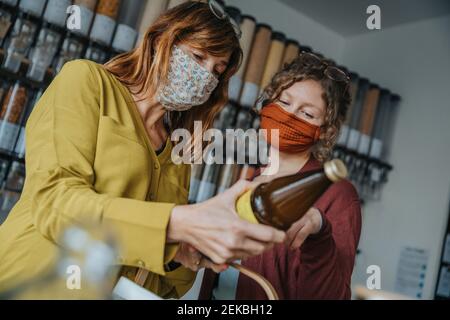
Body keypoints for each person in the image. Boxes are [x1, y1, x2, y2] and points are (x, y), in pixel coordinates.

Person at [0, 1, 285, 298]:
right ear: (161, 41)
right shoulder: (87, 81)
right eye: (198, 56)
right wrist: (177, 223)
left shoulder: (178, 148)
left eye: (217, 70)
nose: (205, 76)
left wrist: (182, 252)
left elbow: (173, 284)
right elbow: (56, 202)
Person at [199, 52, 362, 300]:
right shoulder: (250, 175)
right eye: (284, 103)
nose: (290, 116)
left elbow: (331, 296)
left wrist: (319, 231)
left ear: (325, 131)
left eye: (307, 114)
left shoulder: (338, 194)